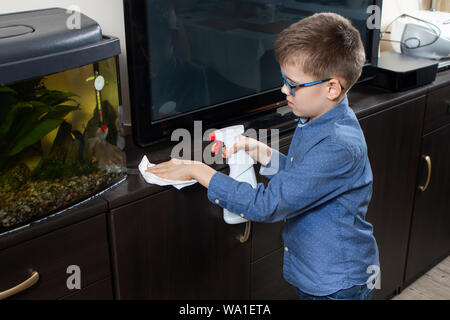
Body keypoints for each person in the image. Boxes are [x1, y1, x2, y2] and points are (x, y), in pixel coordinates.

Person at [146, 12, 380, 300]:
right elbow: (304, 178)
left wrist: (199, 171)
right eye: (284, 79)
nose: (284, 90)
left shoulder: (338, 144)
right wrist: (262, 151)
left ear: (332, 87)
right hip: (318, 272)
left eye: (293, 84)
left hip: (337, 283)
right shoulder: (322, 117)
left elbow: (266, 204)